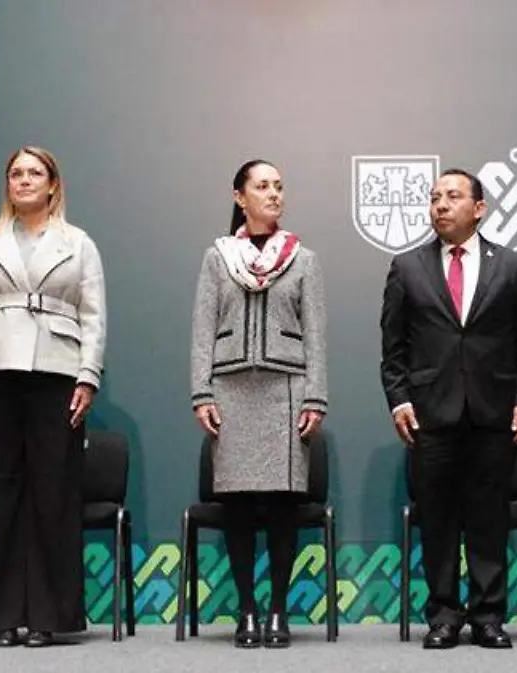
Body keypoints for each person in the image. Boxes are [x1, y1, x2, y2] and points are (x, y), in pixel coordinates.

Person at [380, 168, 517, 649]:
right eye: (435, 197)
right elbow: (393, 348)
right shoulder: (406, 267)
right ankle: (444, 616)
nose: (441, 205)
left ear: (479, 208)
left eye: (452, 196)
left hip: (494, 413)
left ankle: (489, 616)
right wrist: (399, 399)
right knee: (437, 518)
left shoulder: (512, 266)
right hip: (430, 415)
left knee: (488, 517)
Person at [0, 146, 106, 648]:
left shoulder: (78, 244)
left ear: (53, 184)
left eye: (35, 173)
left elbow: (94, 316)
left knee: (53, 493)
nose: (24, 180)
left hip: (57, 371)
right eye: (16, 173)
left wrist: (88, 375)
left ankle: (46, 617)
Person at [189, 159, 328, 648]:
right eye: (263, 186)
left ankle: (278, 610)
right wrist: (202, 391)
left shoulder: (303, 259)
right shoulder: (217, 258)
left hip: (287, 389)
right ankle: (246, 609)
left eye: (279, 187)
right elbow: (203, 327)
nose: (274, 194)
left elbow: (315, 334)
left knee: (284, 504)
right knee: (239, 506)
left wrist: (316, 395)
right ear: (239, 197)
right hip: (231, 389)